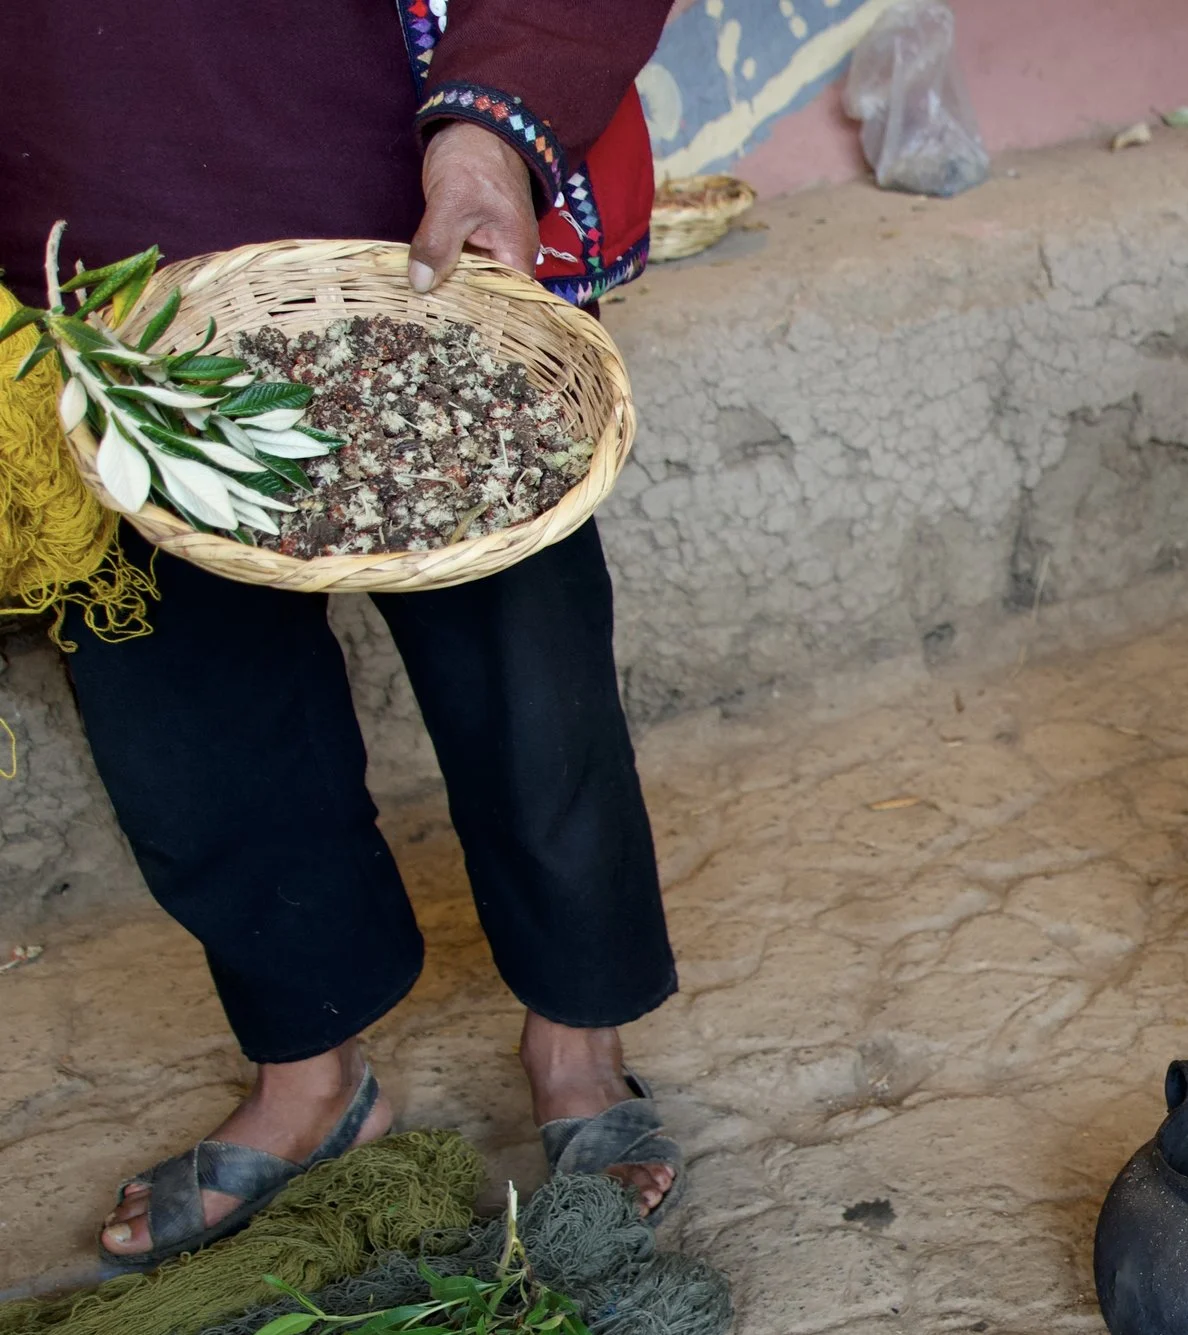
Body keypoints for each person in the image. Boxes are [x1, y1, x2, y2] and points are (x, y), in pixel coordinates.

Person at [0, 0, 686, 1267]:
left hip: (412, 231)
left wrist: (490, 133)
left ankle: (575, 1038)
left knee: (531, 687)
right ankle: (309, 1078)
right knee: (186, 713)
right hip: (96, 275)